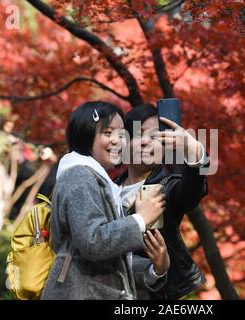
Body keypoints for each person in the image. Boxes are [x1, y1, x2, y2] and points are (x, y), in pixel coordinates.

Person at [41, 101, 169, 300]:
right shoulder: (79, 176)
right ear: (86, 134)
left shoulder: (96, 178)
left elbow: (106, 260)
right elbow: (93, 242)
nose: (117, 141)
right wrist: (140, 219)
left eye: (121, 134)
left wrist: (155, 268)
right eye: (108, 133)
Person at [115, 104, 208, 300]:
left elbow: (193, 190)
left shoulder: (168, 188)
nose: (146, 142)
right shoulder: (108, 188)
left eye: (155, 137)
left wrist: (193, 151)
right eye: (139, 134)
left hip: (152, 293)